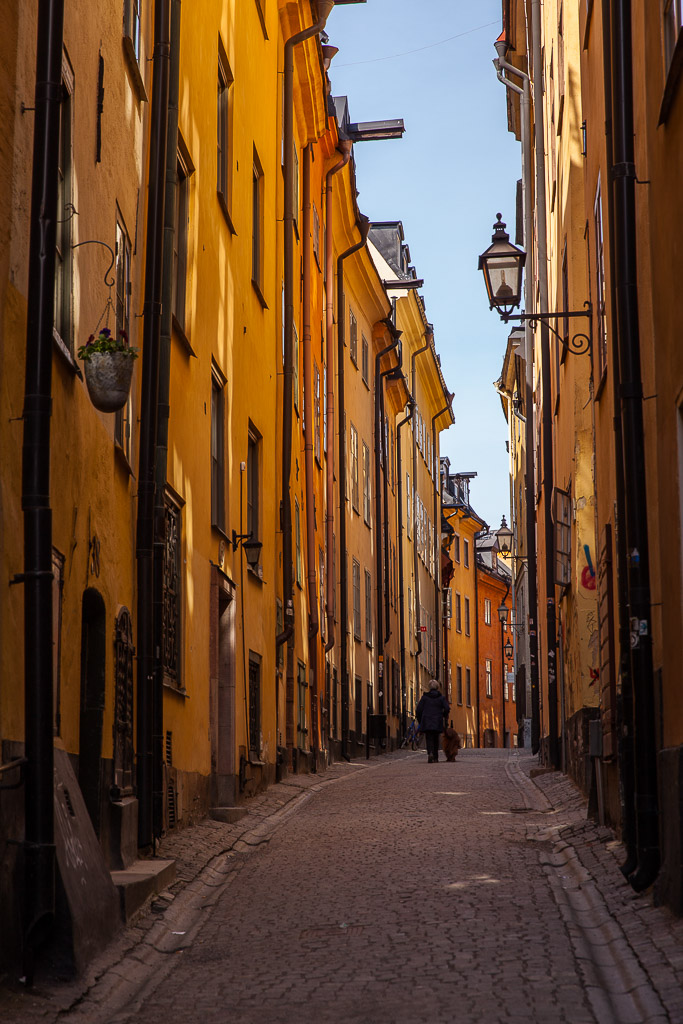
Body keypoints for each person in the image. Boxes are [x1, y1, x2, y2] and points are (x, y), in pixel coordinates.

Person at [415, 680, 450, 763]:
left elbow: (418, 710)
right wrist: (444, 715)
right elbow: (447, 708)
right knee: (435, 738)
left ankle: (430, 753)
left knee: (429, 737)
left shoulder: (425, 698)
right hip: (437, 720)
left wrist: (421, 720)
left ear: (429, 687)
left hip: (427, 720)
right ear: (437, 687)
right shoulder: (441, 698)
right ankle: (435, 756)